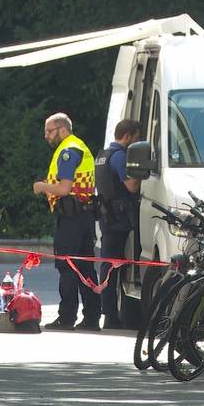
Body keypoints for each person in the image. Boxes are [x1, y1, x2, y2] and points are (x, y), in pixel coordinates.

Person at [33, 113, 102, 331]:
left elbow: (64, 189)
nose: (46, 136)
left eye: (49, 131)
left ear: (62, 129)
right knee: (85, 267)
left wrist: (42, 187)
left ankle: (66, 317)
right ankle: (91, 318)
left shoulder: (67, 151)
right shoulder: (78, 146)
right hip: (84, 216)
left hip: (71, 218)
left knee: (67, 266)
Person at [95, 119, 142, 329]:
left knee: (109, 266)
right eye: (137, 137)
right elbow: (131, 186)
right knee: (112, 268)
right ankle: (111, 315)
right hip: (119, 220)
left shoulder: (103, 155)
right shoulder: (119, 156)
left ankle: (110, 313)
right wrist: (142, 174)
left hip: (107, 216)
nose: (137, 141)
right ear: (128, 136)